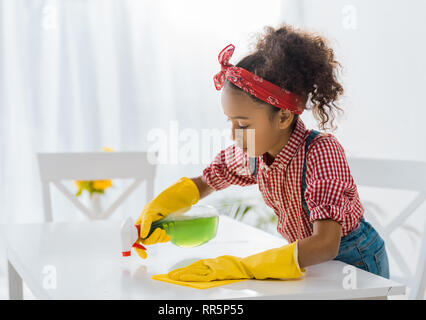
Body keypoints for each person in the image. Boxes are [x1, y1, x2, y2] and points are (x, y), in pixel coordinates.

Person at [135, 24, 390, 281]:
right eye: (230, 122)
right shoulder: (255, 153)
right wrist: (161, 209)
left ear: (283, 117)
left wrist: (245, 267)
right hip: (309, 264)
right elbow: (209, 179)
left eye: (243, 125)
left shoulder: (321, 152)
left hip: (355, 269)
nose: (234, 135)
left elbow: (325, 244)